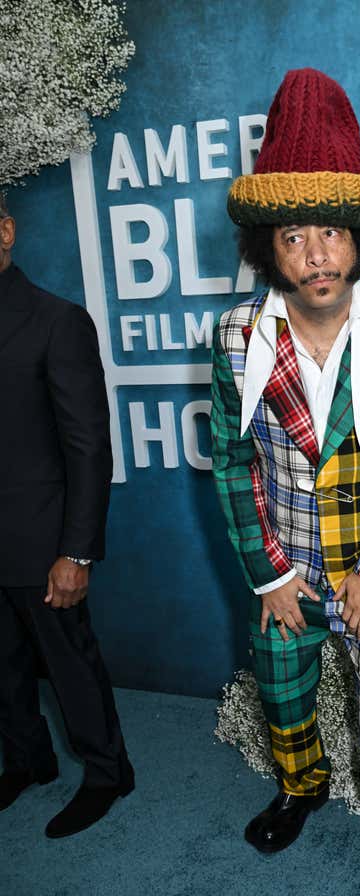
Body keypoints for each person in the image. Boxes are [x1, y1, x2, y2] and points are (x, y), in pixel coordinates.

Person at [211, 68, 360, 896]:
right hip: (284, 572)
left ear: (358, 238)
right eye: (291, 237)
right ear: (265, 246)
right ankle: (302, 786)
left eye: (330, 234)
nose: (314, 256)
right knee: (281, 696)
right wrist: (270, 575)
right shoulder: (237, 335)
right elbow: (231, 460)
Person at [0, 194, 134, 838]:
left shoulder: (56, 321)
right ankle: (29, 761)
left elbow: (87, 445)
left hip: (40, 539)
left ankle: (108, 772)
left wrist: (76, 552)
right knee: (0, 667)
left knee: (70, 664)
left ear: (5, 231)